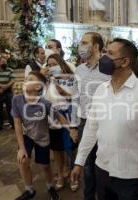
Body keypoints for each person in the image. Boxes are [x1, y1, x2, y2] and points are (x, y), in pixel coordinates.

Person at [71, 38, 138, 200]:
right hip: (102, 168)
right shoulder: (101, 90)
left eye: (110, 53)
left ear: (125, 61)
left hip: (131, 175)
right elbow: (91, 128)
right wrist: (79, 161)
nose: (103, 57)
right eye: (105, 52)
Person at [12, 71, 75, 200]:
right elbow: (17, 125)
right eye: (26, 78)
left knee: (45, 166)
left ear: (38, 87)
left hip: (42, 137)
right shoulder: (17, 100)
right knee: (23, 160)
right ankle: (29, 190)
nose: (25, 80)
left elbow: (59, 117)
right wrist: (22, 148)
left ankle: (50, 186)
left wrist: (71, 130)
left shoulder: (45, 103)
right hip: (26, 135)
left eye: (29, 79)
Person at [71, 32, 110, 200]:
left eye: (84, 43)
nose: (81, 46)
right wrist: (73, 126)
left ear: (96, 47)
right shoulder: (79, 70)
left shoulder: (108, 69)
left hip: (104, 123)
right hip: (84, 121)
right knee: (86, 165)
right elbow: (74, 98)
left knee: (103, 164)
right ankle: (88, 197)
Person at [45, 54, 80, 191]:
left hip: (68, 117)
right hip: (51, 119)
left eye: (54, 64)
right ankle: (60, 175)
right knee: (56, 149)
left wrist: (61, 89)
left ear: (61, 64)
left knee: (69, 148)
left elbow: (75, 98)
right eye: (49, 65)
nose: (51, 67)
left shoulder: (70, 78)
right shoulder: (45, 80)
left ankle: (73, 175)